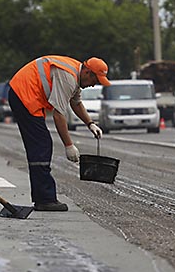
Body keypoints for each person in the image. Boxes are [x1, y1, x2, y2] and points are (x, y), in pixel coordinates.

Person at [8, 55, 111, 211]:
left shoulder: (76, 75)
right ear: (87, 72)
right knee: (41, 145)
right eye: (94, 80)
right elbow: (59, 114)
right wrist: (69, 145)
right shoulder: (68, 77)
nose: (93, 85)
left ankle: (43, 198)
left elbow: (76, 103)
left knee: (41, 144)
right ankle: (45, 199)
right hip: (24, 94)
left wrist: (90, 124)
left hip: (26, 94)